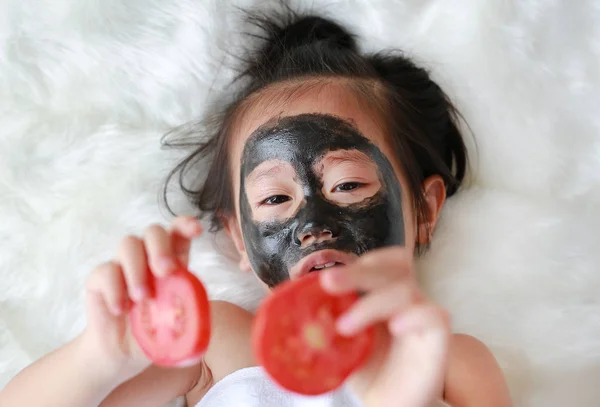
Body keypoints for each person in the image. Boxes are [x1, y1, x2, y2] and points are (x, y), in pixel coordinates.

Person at [0, 8, 513, 407]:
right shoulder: (218, 339)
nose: (313, 225)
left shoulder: (450, 359)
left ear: (424, 210)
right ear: (241, 240)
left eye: (348, 185)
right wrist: (103, 357)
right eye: (275, 198)